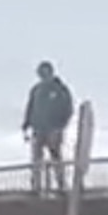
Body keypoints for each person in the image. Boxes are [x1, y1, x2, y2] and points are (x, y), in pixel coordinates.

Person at [22, 61, 75, 196]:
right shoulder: (36, 90)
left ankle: (61, 186)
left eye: (45, 73)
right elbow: (30, 108)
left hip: (54, 129)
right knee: (36, 160)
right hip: (38, 129)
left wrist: (60, 126)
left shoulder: (60, 89)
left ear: (51, 72)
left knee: (56, 157)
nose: (43, 76)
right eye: (41, 74)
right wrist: (26, 124)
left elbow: (68, 109)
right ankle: (36, 187)